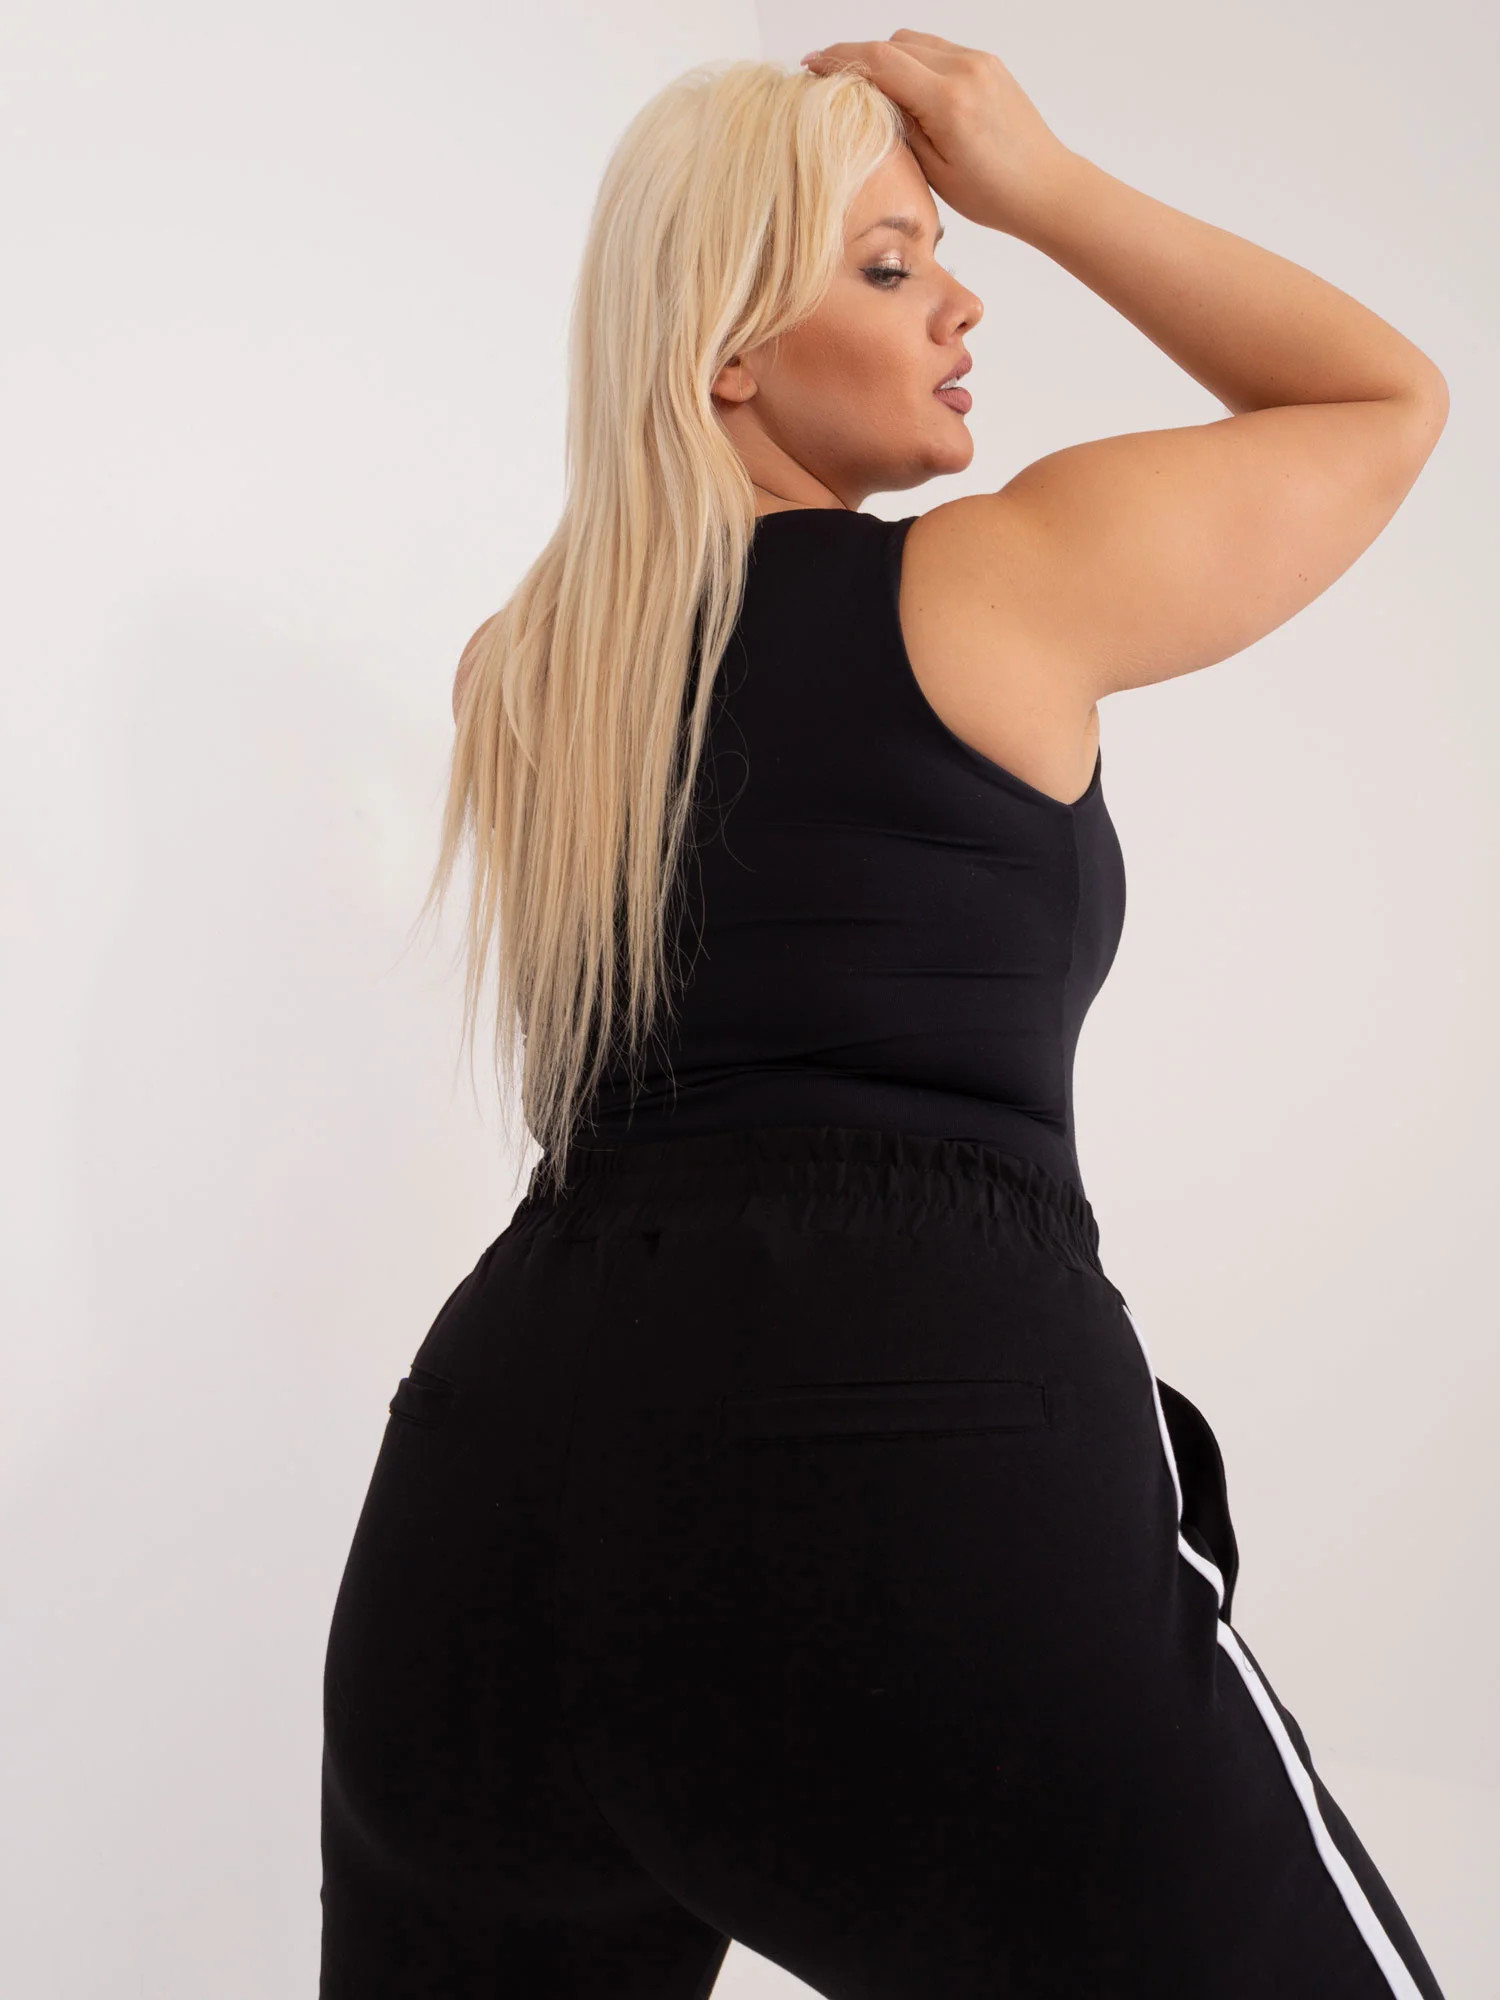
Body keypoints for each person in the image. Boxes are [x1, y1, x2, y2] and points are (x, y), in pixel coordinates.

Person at [319, 34, 1451, 1998]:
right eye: (891, 261)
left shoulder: (527, 671)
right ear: (727, 350)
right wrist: (1045, 179)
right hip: (912, 1422)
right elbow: (1379, 398)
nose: (962, 299)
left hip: (491, 1489)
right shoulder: (995, 580)